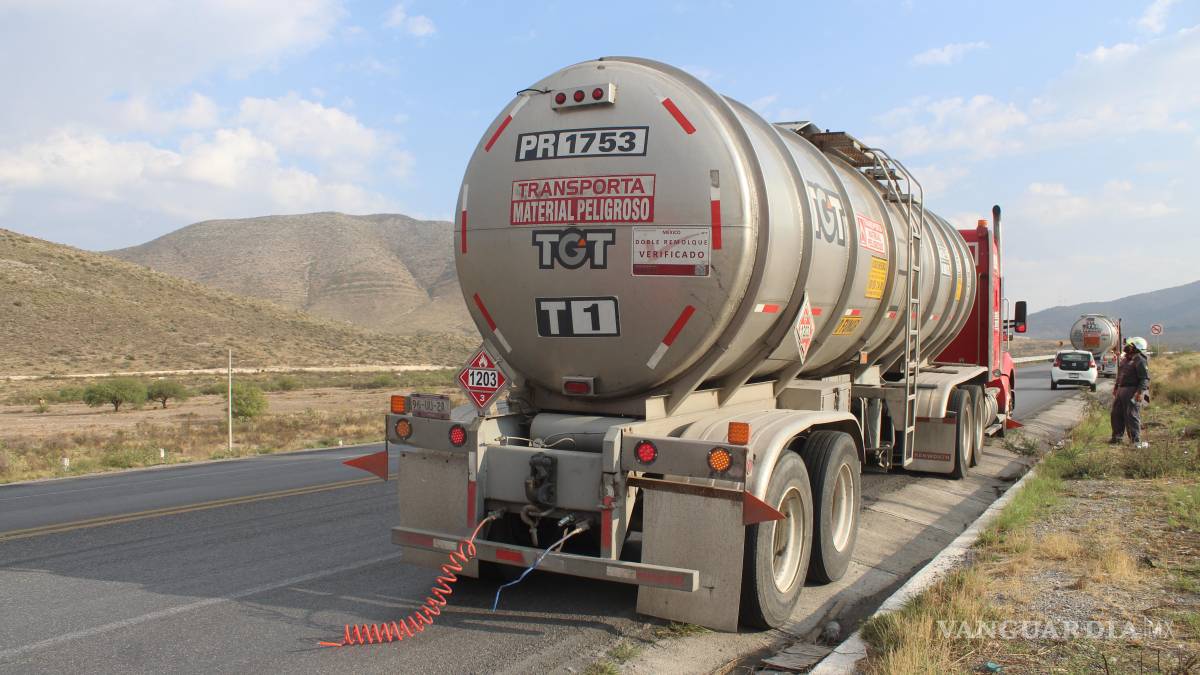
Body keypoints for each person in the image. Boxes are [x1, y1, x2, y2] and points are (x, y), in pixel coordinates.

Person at [1110, 336, 1151, 448]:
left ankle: (1135, 440)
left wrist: (1140, 392)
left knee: (1131, 415)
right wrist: (1116, 387)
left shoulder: (1140, 359)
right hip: (1122, 390)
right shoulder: (1126, 359)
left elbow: (1144, 378)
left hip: (1133, 390)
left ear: (1136, 347)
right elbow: (1120, 375)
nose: (1126, 347)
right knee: (1116, 414)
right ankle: (1117, 438)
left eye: (1130, 345)